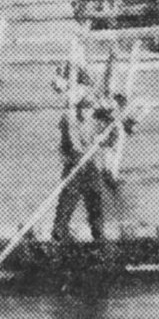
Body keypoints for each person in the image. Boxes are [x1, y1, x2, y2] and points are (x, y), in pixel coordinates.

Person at [53, 94, 109, 245]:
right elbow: (73, 145)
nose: (85, 112)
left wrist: (106, 135)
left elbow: (110, 140)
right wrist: (81, 154)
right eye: (83, 108)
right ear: (78, 109)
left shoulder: (95, 122)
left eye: (88, 109)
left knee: (95, 199)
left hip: (90, 165)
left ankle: (98, 235)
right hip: (73, 165)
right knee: (68, 200)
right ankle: (59, 234)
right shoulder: (70, 121)